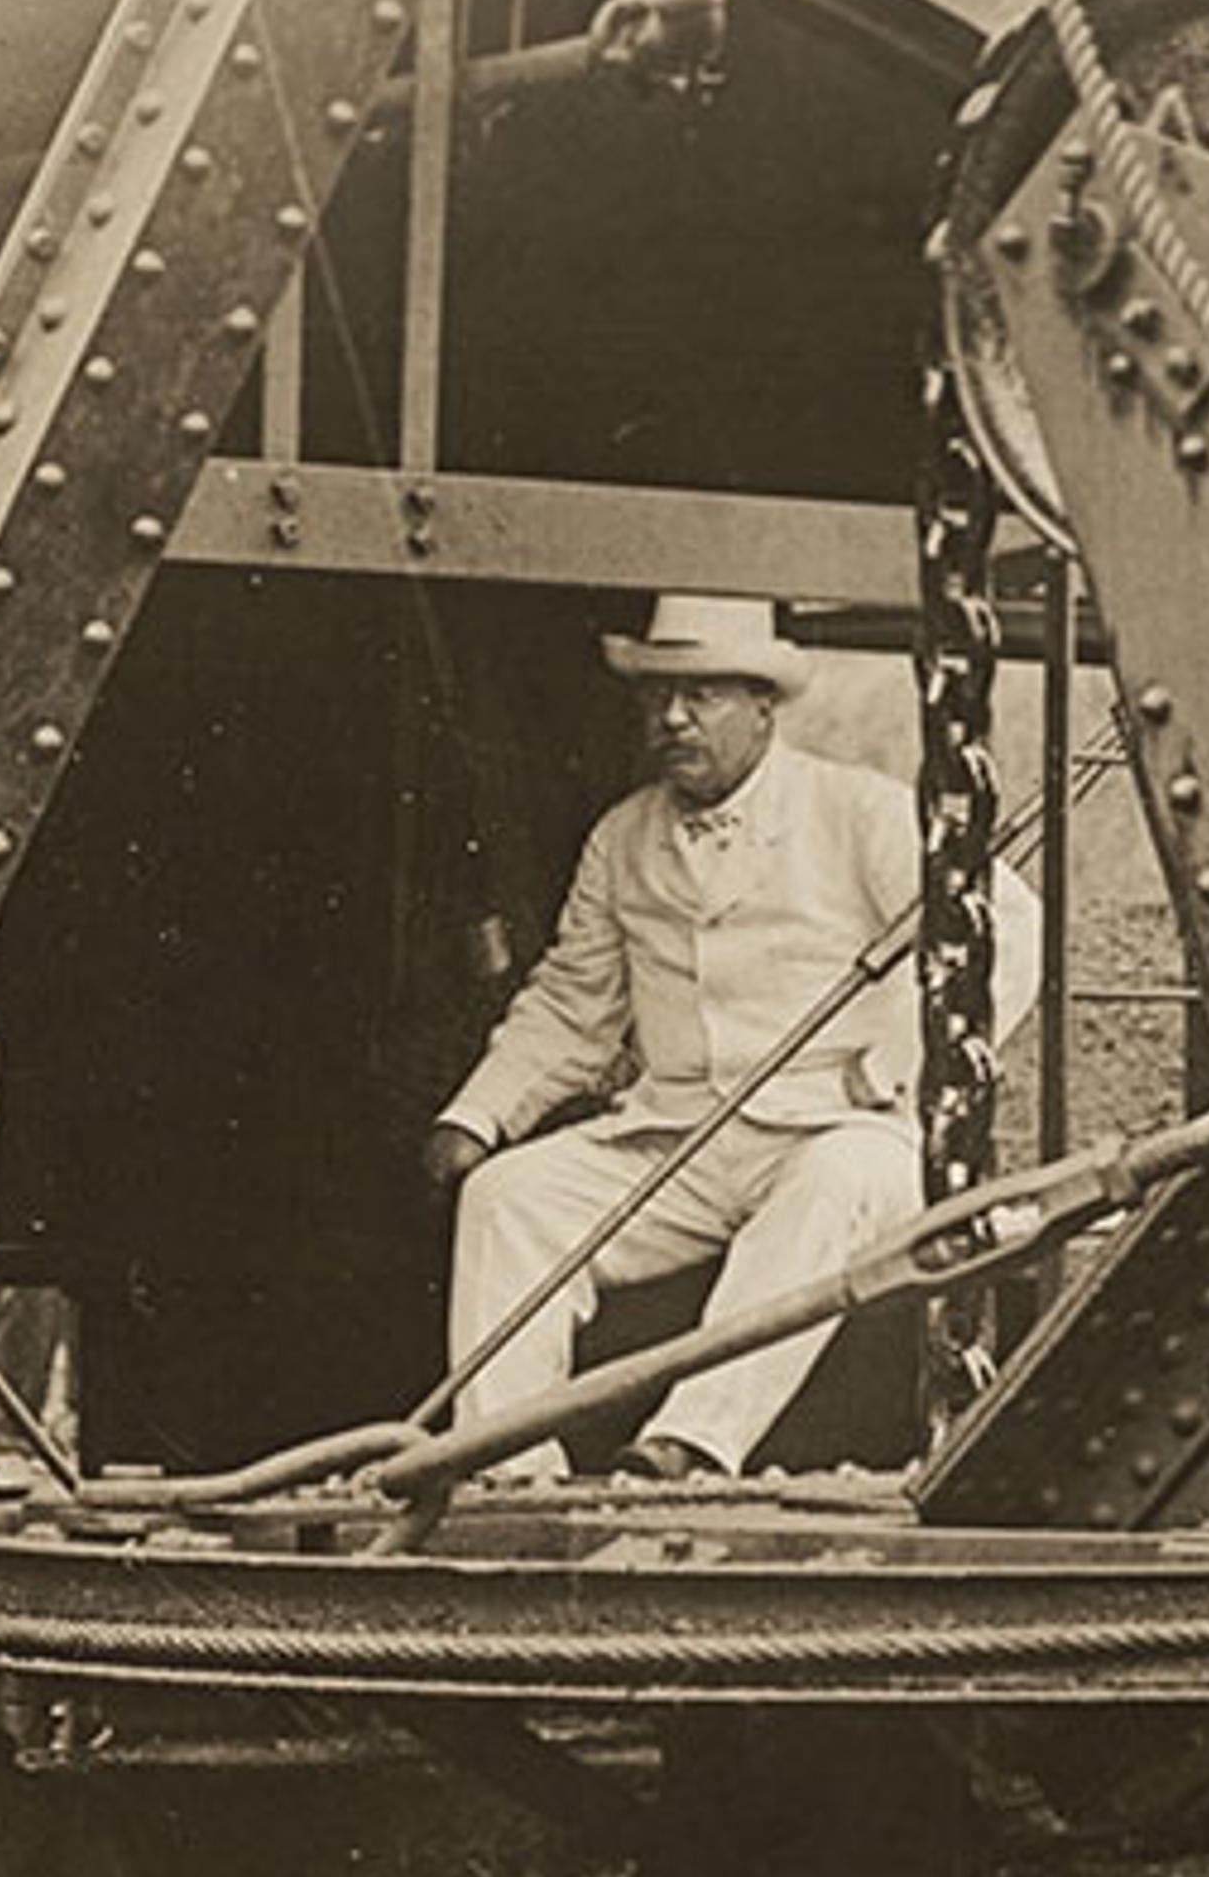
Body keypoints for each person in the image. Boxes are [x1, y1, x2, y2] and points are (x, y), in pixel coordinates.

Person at [425, 595, 1041, 1483]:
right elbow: (573, 1002)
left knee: (838, 1179)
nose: (673, 719)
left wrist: (894, 1062)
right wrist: (478, 1116)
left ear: (764, 705)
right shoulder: (622, 835)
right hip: (678, 1138)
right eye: (657, 698)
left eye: (702, 695)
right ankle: (508, 1465)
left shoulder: (858, 809)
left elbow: (1005, 929)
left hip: (840, 1129)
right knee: (509, 1196)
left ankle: (690, 1446)